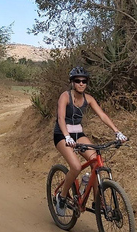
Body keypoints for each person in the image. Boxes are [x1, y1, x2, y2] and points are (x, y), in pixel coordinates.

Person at [53, 66, 127, 217]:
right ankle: (61, 197)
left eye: (84, 81)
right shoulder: (65, 96)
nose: (81, 83)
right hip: (62, 135)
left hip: (78, 134)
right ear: (72, 82)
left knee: (96, 162)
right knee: (75, 167)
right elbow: (61, 118)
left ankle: (97, 201)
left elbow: (103, 115)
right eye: (78, 81)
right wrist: (66, 136)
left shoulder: (89, 98)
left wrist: (117, 132)